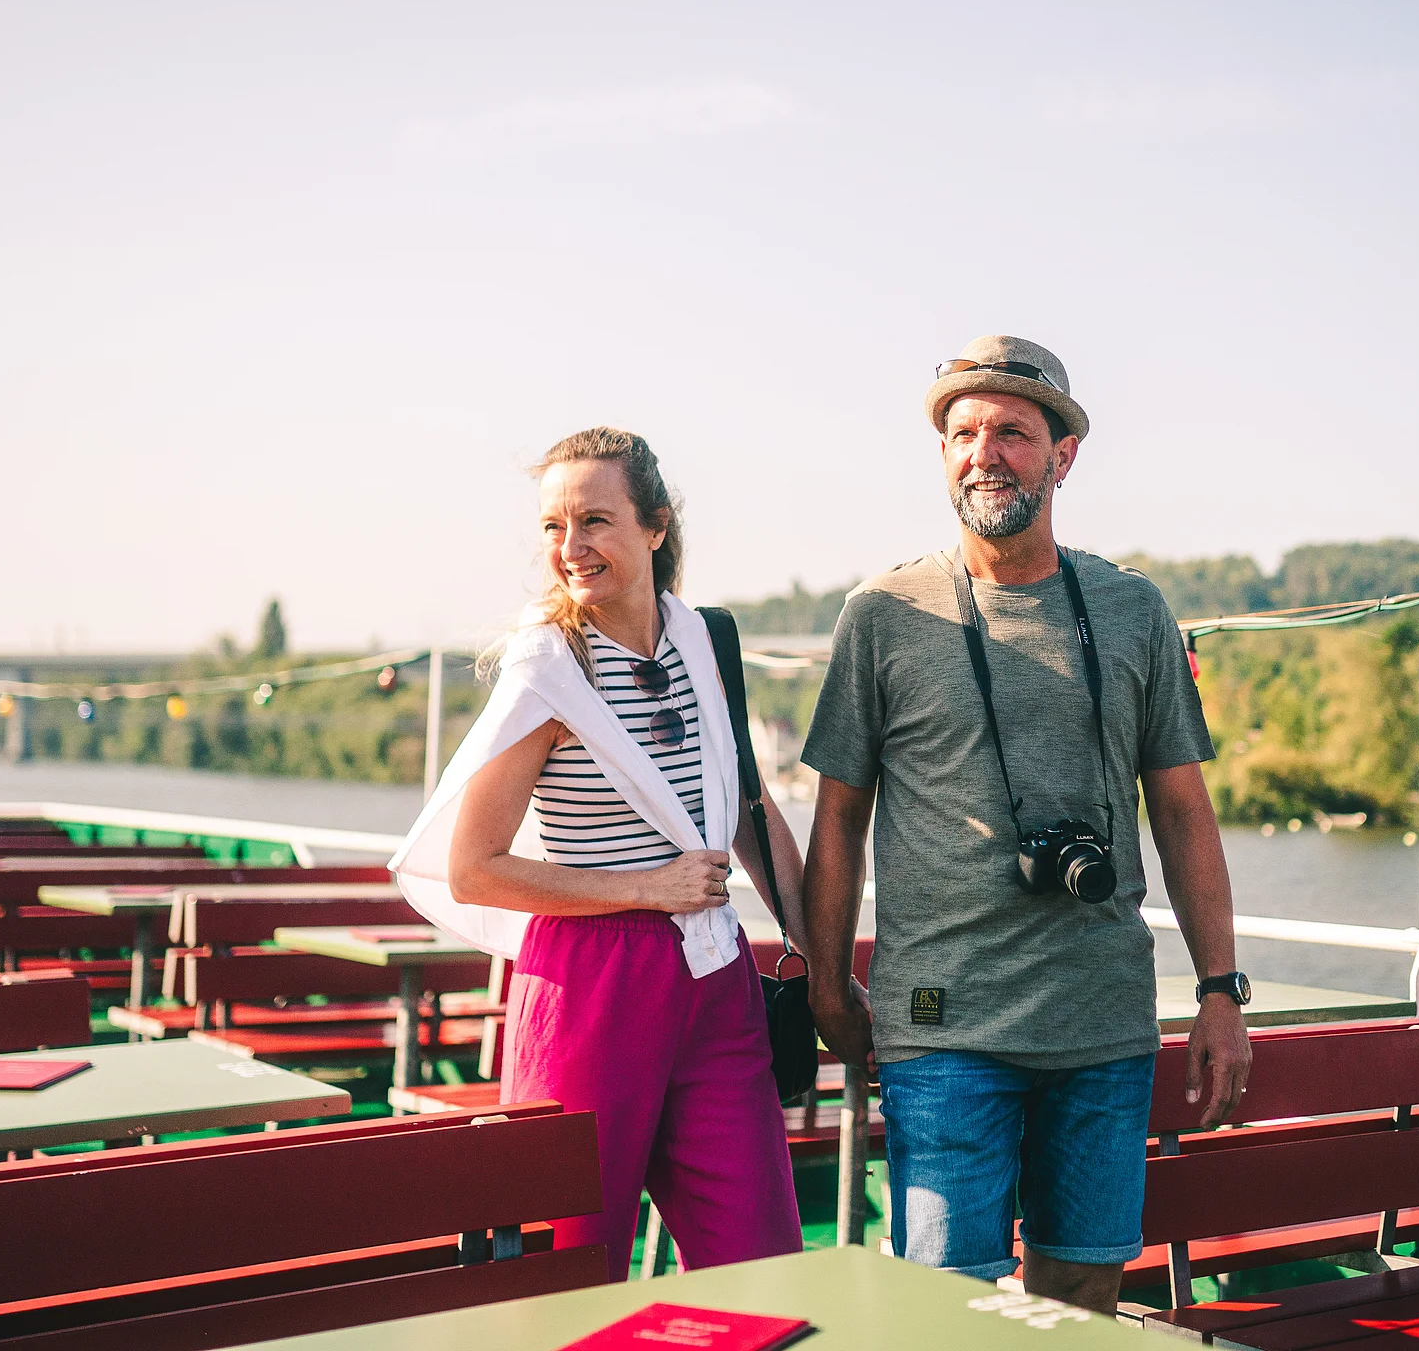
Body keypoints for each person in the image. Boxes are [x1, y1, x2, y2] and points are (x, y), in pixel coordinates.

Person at [801, 335, 1251, 1311]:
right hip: (939, 1026)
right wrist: (829, 982)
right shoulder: (883, 612)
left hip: (1101, 1018)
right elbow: (838, 816)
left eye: (1011, 430)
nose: (984, 452)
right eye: (963, 432)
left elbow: (1183, 810)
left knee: (1082, 1280)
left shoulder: (1132, 609)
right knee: (942, 1297)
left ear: (1063, 455)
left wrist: (1221, 989)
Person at [390, 427, 804, 1280]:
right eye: (552, 527)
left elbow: (750, 819)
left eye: (594, 521)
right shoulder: (545, 671)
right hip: (589, 983)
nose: (570, 548)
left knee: (762, 1264)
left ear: (655, 527)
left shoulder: (708, 644)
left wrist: (824, 968)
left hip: (716, 978)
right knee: (569, 1271)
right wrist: (649, 887)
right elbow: (475, 868)